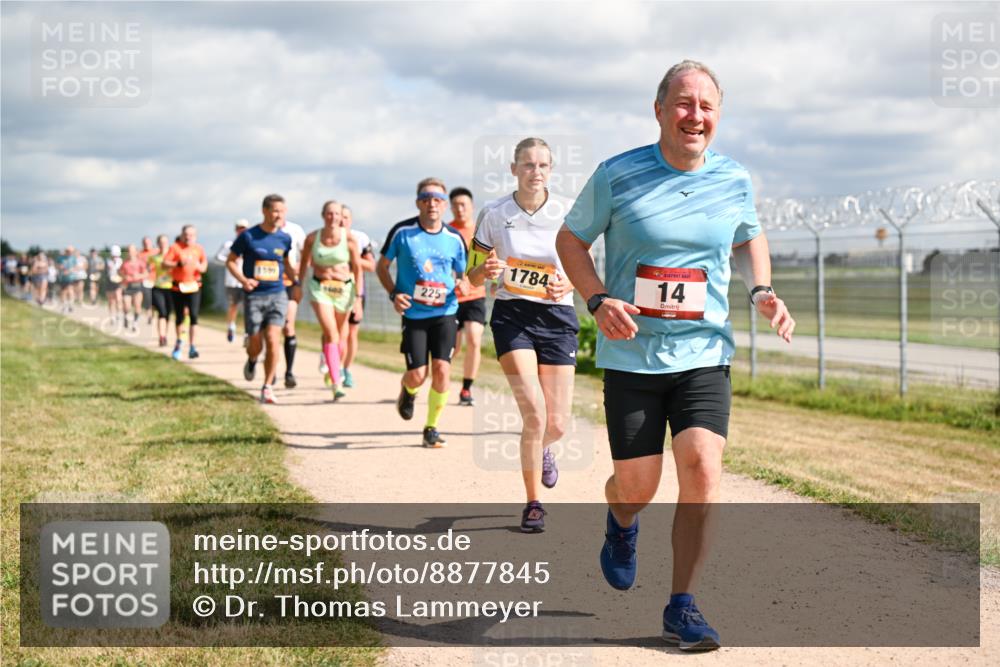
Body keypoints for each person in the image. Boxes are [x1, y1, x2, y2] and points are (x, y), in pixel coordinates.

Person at [556, 60, 796, 651]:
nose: (695, 116)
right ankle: (621, 522)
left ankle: (682, 605)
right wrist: (597, 298)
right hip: (632, 356)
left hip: (703, 352)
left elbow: (748, 234)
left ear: (718, 116)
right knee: (637, 487)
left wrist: (761, 290)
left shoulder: (734, 177)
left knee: (703, 470)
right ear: (659, 109)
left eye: (707, 106)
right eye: (684, 104)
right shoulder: (618, 173)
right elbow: (570, 239)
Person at [468, 138, 577, 533]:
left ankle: (545, 448)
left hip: (558, 317)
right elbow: (473, 272)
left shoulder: (567, 211)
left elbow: (584, 267)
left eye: (543, 165)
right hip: (513, 315)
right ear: (514, 169)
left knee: (558, 424)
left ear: (552, 169)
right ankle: (534, 504)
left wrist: (568, 286)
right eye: (528, 165)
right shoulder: (495, 213)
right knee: (535, 414)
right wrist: (487, 271)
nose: (536, 172)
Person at [376, 177, 467, 448]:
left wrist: (464, 282)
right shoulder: (402, 232)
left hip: (445, 311)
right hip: (414, 315)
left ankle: (431, 428)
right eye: (426, 198)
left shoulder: (454, 238)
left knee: (442, 370)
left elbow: (463, 272)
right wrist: (394, 294)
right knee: (417, 374)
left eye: (437, 199)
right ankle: (409, 391)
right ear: (418, 202)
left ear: (444, 205)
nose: (432, 204)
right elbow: (381, 267)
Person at [228, 194, 298, 404]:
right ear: (265, 211)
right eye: (275, 211)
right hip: (255, 296)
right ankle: (252, 358)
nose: (279, 215)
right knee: (256, 341)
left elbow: (286, 263)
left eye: (282, 211)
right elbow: (231, 261)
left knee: (274, 339)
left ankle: (267, 386)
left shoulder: (285, 238)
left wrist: (296, 284)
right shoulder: (249, 236)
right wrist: (243, 280)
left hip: (278, 294)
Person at [300, 201, 362, 400]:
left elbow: (358, 270)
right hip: (320, 288)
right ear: (323, 215)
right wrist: (297, 287)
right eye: (329, 213)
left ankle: (333, 367)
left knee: (342, 337)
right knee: (331, 333)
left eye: (336, 214)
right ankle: (337, 383)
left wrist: (358, 298)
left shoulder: (350, 239)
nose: (333, 217)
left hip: (344, 290)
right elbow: (303, 265)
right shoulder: (312, 238)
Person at [448, 187, 486, 407]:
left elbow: (491, 259)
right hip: (450, 297)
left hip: (474, 295)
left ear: (471, 206)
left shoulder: (480, 231)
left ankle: (466, 389)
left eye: (464, 204)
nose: (460, 209)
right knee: (453, 347)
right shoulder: (446, 231)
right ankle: (441, 378)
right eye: (456, 205)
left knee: (474, 338)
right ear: (450, 208)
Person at [340, 205, 375, 389]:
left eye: (345, 217)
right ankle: (331, 361)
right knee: (337, 333)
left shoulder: (360, 239)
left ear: (351, 220)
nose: (341, 221)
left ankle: (346, 369)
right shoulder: (327, 237)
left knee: (351, 332)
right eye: (339, 216)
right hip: (333, 291)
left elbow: (371, 266)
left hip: (355, 290)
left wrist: (353, 258)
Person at [163, 225, 208, 360]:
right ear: (182, 235)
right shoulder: (175, 247)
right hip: (178, 287)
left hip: (194, 286)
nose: (188, 237)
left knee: (194, 316)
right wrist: (178, 264)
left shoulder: (199, 249)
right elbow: (164, 264)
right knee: (179, 316)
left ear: (195, 236)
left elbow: (204, 267)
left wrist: (198, 266)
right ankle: (179, 342)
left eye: (191, 235)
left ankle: (192, 346)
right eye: (186, 235)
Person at [279, 216, 307, 388]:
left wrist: (299, 268)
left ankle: (289, 372)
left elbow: (306, 253)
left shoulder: (295, 230)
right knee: (271, 330)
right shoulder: (260, 232)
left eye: (281, 211)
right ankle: (264, 364)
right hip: (270, 284)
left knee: (288, 327)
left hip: (290, 283)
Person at [216, 219, 250, 342]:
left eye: (244, 228)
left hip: (246, 280)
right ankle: (231, 326)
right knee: (233, 306)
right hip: (232, 281)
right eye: (240, 228)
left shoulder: (250, 243)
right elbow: (218, 257)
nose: (242, 230)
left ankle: (248, 331)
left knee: (248, 307)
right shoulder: (229, 244)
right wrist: (230, 260)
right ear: (236, 229)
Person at [148, 234, 174, 346]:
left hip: (171, 287)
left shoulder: (173, 257)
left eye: (165, 242)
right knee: (161, 312)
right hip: (158, 287)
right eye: (161, 242)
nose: (163, 244)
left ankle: (165, 334)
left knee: (167, 314)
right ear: (158, 244)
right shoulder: (154, 257)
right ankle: (161, 336)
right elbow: (148, 270)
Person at [120, 244, 148, 331]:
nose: (130, 253)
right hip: (127, 286)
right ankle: (126, 316)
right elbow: (120, 273)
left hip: (137, 286)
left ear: (136, 252)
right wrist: (124, 277)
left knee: (137, 306)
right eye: (128, 251)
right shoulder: (125, 263)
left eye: (132, 251)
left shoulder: (141, 262)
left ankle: (135, 323)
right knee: (127, 305)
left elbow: (146, 274)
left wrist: (139, 276)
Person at [139, 236, 156, 324]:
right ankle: (149, 315)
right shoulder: (140, 254)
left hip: (157, 280)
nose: (146, 244)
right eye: (145, 243)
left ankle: (152, 313)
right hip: (145, 280)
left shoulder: (156, 251)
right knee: (148, 299)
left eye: (148, 242)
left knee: (155, 299)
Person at [105, 245, 124, 321]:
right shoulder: (107, 261)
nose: (115, 257)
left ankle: (118, 314)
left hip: (118, 281)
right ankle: (112, 316)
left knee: (118, 298)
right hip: (110, 281)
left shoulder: (121, 261)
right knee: (111, 300)